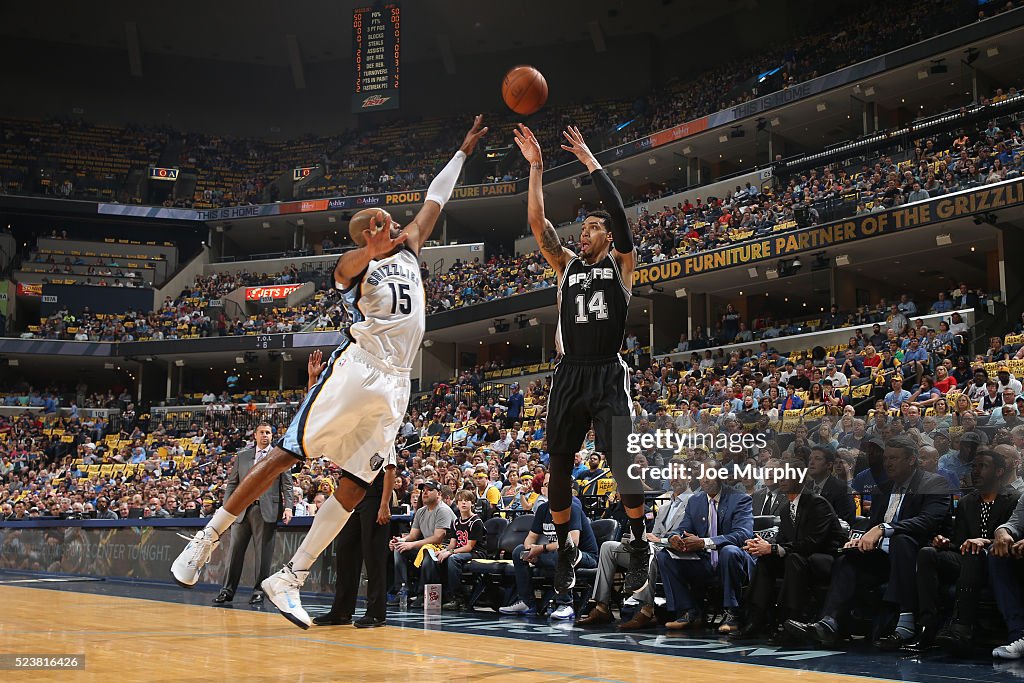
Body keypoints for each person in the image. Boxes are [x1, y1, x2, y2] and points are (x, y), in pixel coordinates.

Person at [170, 116, 489, 629]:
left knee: (358, 483)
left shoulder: (409, 248)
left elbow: (436, 200)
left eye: (391, 220)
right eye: (382, 221)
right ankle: (207, 540)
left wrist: (462, 152)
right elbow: (340, 269)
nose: (394, 224)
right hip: (357, 370)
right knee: (284, 456)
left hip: (398, 383)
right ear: (368, 232)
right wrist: (368, 246)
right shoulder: (357, 266)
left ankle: (290, 577)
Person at [513, 122, 648, 596]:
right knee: (559, 464)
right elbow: (538, 226)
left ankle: (638, 545)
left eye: (594, 228)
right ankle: (567, 552)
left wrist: (591, 161)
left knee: (622, 463)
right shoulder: (567, 265)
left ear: (609, 238)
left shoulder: (621, 265)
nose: (585, 232)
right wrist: (536, 169)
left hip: (608, 372)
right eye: (584, 227)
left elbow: (619, 214)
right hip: (569, 375)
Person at [784, 436, 951, 649]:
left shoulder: (934, 482)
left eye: (895, 458)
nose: (888, 463)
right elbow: (871, 525)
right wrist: (859, 540)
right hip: (882, 555)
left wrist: (883, 529)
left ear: (911, 460)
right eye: (886, 458)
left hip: (916, 553)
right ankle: (828, 623)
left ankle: (905, 623)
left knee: (901, 540)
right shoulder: (883, 487)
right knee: (847, 560)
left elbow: (928, 520)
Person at [737, 458, 847, 639]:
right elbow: (783, 540)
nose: (782, 479)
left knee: (792, 559)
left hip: (826, 559)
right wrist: (763, 547)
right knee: (766, 560)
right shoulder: (786, 509)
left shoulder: (817, 503)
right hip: (798, 557)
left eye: (787, 475)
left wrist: (775, 548)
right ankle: (756, 619)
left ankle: (790, 621)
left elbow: (812, 542)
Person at [577, 461, 692, 627]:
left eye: (679, 474)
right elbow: (656, 533)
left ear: (689, 478)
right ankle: (602, 606)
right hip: (654, 549)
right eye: (672, 474)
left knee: (647, 549)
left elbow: (686, 535)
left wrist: (658, 540)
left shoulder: (695, 502)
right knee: (608, 547)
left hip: (673, 553)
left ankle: (646, 610)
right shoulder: (664, 505)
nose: (674, 478)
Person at [645, 459, 754, 633]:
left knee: (728, 551)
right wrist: (674, 538)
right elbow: (682, 529)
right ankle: (689, 610)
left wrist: (704, 542)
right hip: (704, 562)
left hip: (733, 560)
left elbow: (742, 535)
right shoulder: (695, 501)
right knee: (665, 555)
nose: (704, 479)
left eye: (709, 474)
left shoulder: (739, 499)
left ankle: (734, 613)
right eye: (701, 475)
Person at [926, 450, 1017, 653]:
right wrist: (945, 542)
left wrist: (983, 541)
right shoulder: (967, 502)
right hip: (968, 559)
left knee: (975, 551)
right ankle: (927, 625)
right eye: (973, 467)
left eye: (982, 466)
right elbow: (960, 541)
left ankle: (962, 626)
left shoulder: (1014, 499)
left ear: (999, 471)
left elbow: (1014, 539)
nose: (975, 471)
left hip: (998, 561)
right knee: (928, 553)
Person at [213, 422, 295, 606]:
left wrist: (289, 507)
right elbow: (232, 483)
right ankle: (227, 591)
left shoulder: (280, 456)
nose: (265, 435)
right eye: (262, 432)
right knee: (234, 552)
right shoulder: (242, 457)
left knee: (263, 554)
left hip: (266, 510)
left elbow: (287, 485)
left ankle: (259, 591)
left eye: (268, 432)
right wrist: (228, 507)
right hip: (241, 509)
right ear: (255, 436)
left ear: (272, 436)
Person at [499, 492, 598, 620]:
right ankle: (526, 602)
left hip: (585, 556)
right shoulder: (543, 509)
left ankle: (565, 604)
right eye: (546, 485)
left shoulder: (572, 508)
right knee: (519, 551)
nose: (549, 488)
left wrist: (541, 549)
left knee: (563, 552)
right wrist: (530, 551)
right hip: (556, 553)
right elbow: (530, 538)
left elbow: (573, 542)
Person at [439, 490, 487, 610]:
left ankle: (458, 598)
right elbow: (452, 544)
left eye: (467, 500)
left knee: (453, 559)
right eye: (460, 500)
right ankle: (444, 595)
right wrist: (442, 552)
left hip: (477, 552)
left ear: (472, 503)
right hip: (462, 551)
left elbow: (469, 547)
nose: (463, 503)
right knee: (439, 557)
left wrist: (450, 553)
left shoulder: (476, 521)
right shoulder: (455, 522)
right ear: (457, 503)